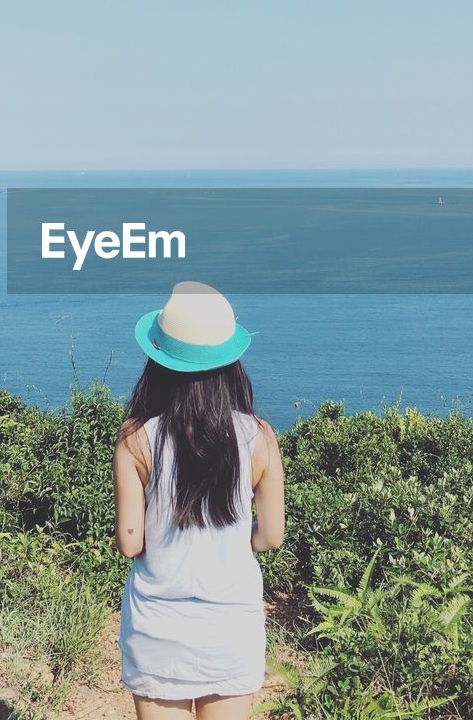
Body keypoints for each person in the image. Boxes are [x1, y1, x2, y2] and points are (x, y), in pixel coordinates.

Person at [114, 281, 286, 720]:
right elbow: (271, 535)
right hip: (230, 627)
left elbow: (131, 542)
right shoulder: (260, 438)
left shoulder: (136, 439)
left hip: (157, 627)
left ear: (158, 360)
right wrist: (228, 539)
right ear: (230, 362)